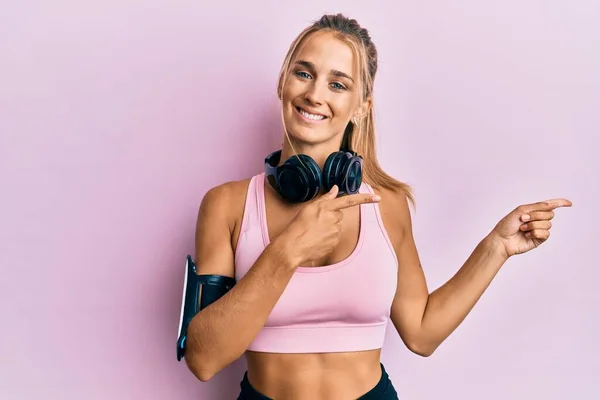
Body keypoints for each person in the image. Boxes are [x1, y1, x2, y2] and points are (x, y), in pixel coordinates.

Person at [179, 13, 572, 400]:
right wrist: (287, 251)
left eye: (338, 84)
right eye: (303, 73)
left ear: (361, 106)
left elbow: (421, 333)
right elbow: (203, 359)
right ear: (282, 82)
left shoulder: (388, 205)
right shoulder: (227, 206)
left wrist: (496, 247)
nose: (315, 95)